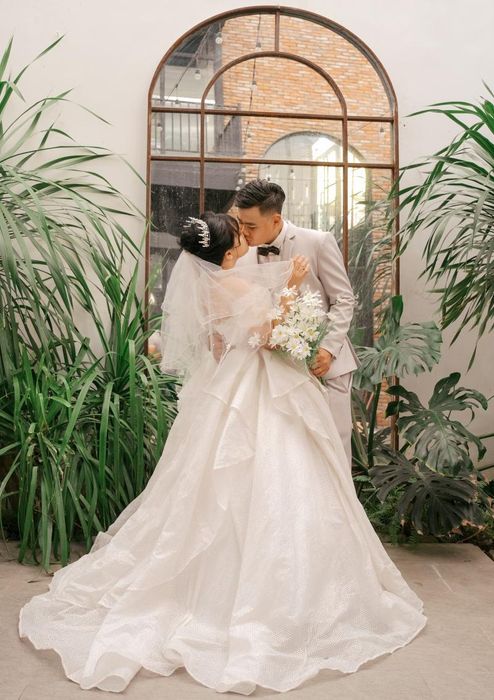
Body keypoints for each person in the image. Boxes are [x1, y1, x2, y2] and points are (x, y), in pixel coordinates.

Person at [18, 212, 426, 695]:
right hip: (259, 381)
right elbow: (269, 334)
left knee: (218, 476)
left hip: (233, 380)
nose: (245, 236)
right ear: (230, 250)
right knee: (275, 472)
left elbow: (217, 341)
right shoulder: (233, 283)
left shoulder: (212, 284)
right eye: (239, 234)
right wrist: (292, 287)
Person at [235, 179, 359, 468]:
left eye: (250, 226)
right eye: (240, 224)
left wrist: (327, 349)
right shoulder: (242, 256)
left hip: (325, 367)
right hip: (276, 374)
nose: (243, 232)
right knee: (291, 459)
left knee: (334, 448)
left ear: (276, 220)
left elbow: (344, 299)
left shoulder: (317, 242)